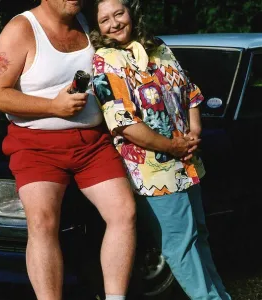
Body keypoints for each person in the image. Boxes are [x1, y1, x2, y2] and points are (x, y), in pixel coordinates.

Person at [0, 1, 137, 299]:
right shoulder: (21, 29)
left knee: (124, 213)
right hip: (36, 146)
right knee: (42, 222)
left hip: (92, 143)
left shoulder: (89, 19)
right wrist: (52, 107)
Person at [90, 0, 231, 299]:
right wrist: (172, 146)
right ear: (98, 27)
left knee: (199, 237)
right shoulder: (105, 60)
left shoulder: (159, 47)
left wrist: (193, 134)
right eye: (105, 20)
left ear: (131, 13)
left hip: (188, 161)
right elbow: (122, 121)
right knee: (180, 244)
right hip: (153, 169)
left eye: (119, 14)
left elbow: (190, 92)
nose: (114, 23)